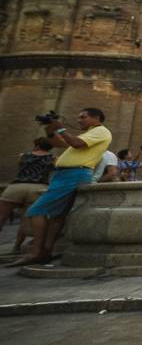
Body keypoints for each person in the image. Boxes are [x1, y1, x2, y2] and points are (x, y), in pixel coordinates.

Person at [7, 108, 112, 267]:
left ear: (96, 118)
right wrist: (51, 129)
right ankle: (46, 252)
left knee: (36, 210)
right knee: (57, 216)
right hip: (65, 175)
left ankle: (35, 252)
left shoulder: (101, 131)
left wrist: (61, 128)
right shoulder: (89, 132)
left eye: (83, 117)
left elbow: (76, 144)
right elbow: (58, 143)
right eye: (78, 117)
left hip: (74, 174)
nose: (79, 120)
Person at [0, 138, 55, 233]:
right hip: (39, 187)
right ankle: (36, 245)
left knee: (2, 215)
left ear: (37, 146)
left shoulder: (23, 156)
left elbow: (21, 168)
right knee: (35, 217)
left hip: (17, 186)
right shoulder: (54, 158)